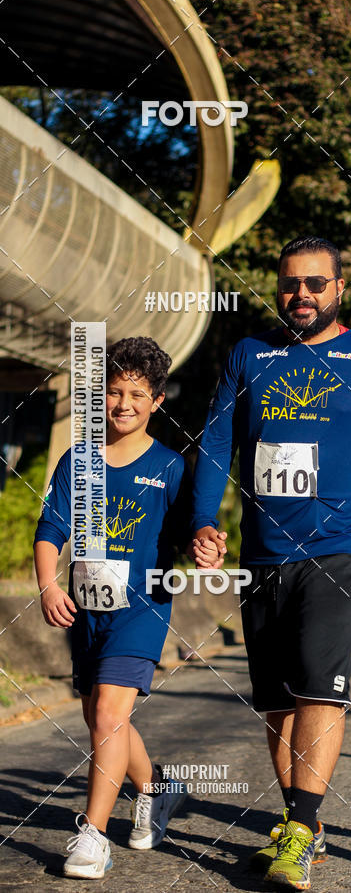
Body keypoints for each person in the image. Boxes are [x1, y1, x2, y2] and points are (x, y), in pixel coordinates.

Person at [190, 235, 351, 889]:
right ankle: (302, 823)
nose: (300, 294)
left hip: (339, 547)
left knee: (317, 687)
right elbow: (216, 442)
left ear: (338, 290)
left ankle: (302, 829)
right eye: (290, 284)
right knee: (276, 704)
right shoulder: (249, 356)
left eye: (315, 284)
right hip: (263, 553)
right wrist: (202, 519)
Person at [34, 337, 219, 879]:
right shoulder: (79, 460)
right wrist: (48, 585)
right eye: (113, 392)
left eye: (137, 394)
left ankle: (93, 837)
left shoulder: (170, 467)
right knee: (99, 716)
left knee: (111, 716)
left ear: (157, 400)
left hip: (142, 609)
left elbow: (191, 531)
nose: (123, 404)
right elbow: (50, 529)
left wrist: (205, 543)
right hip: (87, 610)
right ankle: (157, 789)